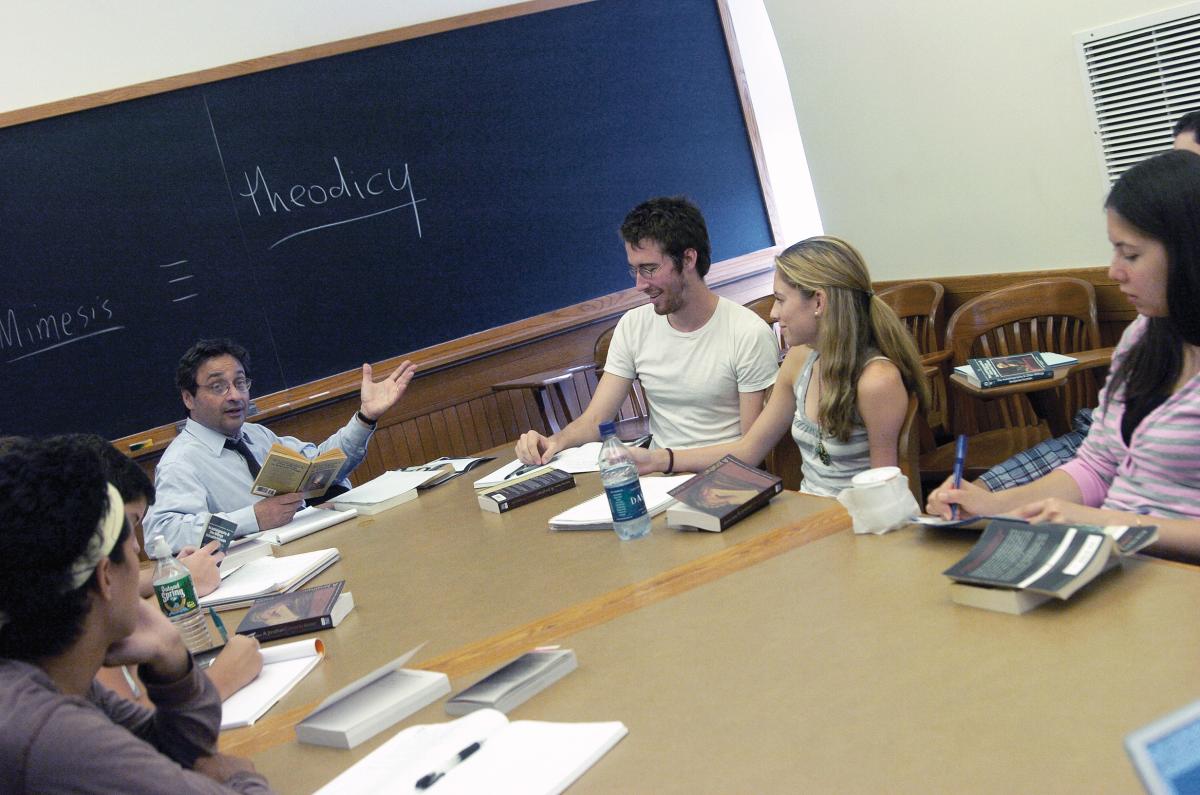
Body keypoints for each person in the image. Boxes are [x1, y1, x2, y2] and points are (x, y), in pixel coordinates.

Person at [928, 149, 1200, 563]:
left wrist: (1109, 522)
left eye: (1131, 255)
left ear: (1187, 253)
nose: (1114, 271)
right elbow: (1096, 465)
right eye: (1114, 251)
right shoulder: (1146, 335)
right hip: (1116, 560)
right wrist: (991, 503)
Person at [0, 437, 272, 794]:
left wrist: (174, 662)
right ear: (105, 576)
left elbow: (172, 753)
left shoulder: (41, 669)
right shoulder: (51, 735)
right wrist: (241, 777)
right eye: (131, 541)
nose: (140, 552)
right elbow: (201, 768)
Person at [630, 236, 929, 496]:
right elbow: (749, 450)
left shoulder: (877, 380)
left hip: (855, 529)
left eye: (780, 300)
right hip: (812, 522)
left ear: (819, 302)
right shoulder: (800, 360)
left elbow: (884, 493)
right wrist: (659, 460)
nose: (774, 313)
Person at [514, 196, 780, 464]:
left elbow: (751, 451)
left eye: (649, 269)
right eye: (634, 270)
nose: (640, 284)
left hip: (724, 477)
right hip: (659, 475)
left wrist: (661, 462)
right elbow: (595, 419)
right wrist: (554, 441)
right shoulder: (633, 326)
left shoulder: (747, 332)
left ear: (688, 259)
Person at [144, 339, 415, 552]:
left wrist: (366, 417)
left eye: (240, 383)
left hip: (308, 548)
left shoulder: (255, 435)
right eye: (218, 387)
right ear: (188, 398)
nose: (236, 396)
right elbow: (162, 533)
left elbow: (320, 463)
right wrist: (252, 518)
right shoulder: (181, 462)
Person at [57, 434, 264, 705]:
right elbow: (135, 732)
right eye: (127, 527)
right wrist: (224, 677)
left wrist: (167, 578)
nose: (134, 546)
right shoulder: (56, 632)